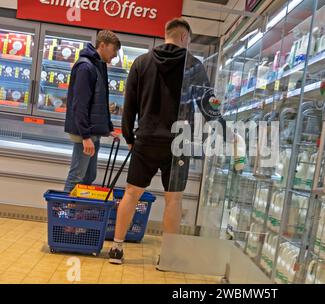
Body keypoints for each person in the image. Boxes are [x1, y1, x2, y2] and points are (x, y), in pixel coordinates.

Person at [108, 18, 227, 265]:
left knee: (131, 193)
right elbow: (208, 104)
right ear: (184, 38)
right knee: (174, 199)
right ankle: (168, 256)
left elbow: (129, 105)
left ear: (167, 34)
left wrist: (130, 136)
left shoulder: (141, 62)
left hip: (147, 139)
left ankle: (117, 249)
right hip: (178, 142)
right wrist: (224, 129)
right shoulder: (194, 65)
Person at [64, 30, 121, 192]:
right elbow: (80, 104)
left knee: (89, 176)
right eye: (114, 50)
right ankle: (65, 214)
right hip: (84, 133)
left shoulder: (98, 66)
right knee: (77, 176)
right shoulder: (85, 67)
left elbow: (99, 102)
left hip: (91, 131)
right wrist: (86, 136)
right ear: (102, 45)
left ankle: (80, 211)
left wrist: (108, 128)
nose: (115, 56)